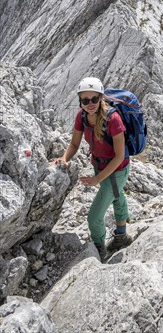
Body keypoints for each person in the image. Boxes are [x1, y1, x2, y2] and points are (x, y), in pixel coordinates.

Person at [54, 76, 132, 261]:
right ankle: (122, 236)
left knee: (94, 217)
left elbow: (119, 156)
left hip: (117, 170)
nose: (90, 103)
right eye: (85, 100)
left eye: (94, 99)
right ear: (80, 101)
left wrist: (97, 179)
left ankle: (99, 251)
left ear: (101, 98)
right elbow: (74, 143)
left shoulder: (113, 119)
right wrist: (65, 158)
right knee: (117, 195)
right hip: (100, 167)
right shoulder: (81, 117)